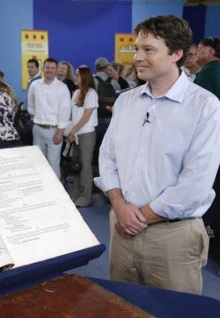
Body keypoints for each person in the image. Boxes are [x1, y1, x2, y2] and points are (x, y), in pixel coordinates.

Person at [94, 15, 220, 295]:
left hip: (172, 237)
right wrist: (119, 204)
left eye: (148, 50)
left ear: (176, 54)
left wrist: (138, 217)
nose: (138, 57)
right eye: (136, 49)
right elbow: (107, 158)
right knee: (123, 307)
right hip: (121, 230)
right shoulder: (126, 101)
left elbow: (195, 183)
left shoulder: (205, 107)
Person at [194, 37, 220, 259]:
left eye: (201, 48)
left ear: (211, 52)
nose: (197, 51)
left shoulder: (208, 73)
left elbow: (194, 114)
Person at [28, 58, 71, 178]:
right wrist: (34, 116)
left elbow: (65, 111)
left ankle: (56, 194)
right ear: (43, 68)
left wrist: (60, 132)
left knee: (53, 164)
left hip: (54, 131)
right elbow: (30, 103)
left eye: (52, 68)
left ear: (56, 70)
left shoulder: (62, 88)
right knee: (38, 163)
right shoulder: (35, 85)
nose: (50, 70)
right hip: (37, 129)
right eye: (47, 67)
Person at [67, 67, 98, 207]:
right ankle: (77, 194)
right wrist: (71, 131)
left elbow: (86, 116)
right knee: (76, 166)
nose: (75, 77)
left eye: (77, 75)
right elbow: (72, 115)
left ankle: (85, 197)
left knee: (85, 166)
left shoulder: (91, 93)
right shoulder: (76, 93)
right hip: (76, 133)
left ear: (84, 77)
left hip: (86, 133)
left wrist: (73, 131)